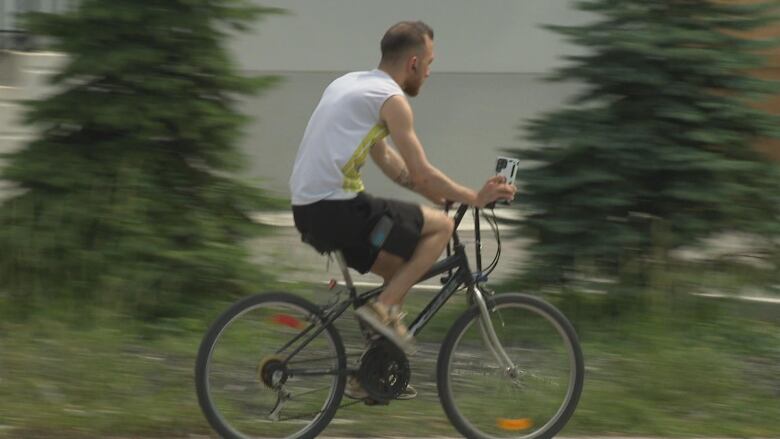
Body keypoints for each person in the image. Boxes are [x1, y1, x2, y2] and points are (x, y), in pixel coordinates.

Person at [290, 21, 515, 356]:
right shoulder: (391, 100)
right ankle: (383, 309)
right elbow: (421, 172)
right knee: (442, 227)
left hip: (311, 211)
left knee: (401, 269)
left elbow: (390, 163)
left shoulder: (352, 85)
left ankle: (373, 370)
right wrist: (475, 198)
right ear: (413, 62)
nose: (428, 73)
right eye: (429, 64)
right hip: (338, 207)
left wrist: (435, 195)